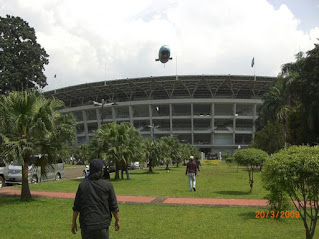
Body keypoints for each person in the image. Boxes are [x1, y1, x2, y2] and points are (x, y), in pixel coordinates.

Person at [72, 159, 120, 239]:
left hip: (86, 225)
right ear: (101, 170)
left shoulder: (82, 185)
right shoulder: (108, 185)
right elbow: (113, 206)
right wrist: (117, 220)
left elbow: (76, 206)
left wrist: (74, 221)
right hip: (102, 225)